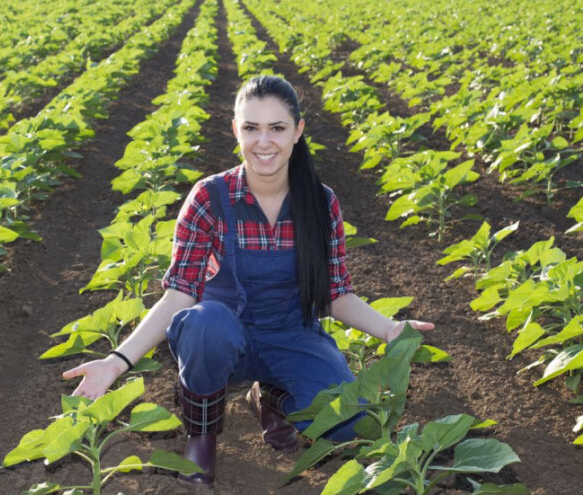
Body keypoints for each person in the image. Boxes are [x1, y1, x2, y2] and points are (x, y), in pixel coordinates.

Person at [63, 75, 434, 485]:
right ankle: (201, 435)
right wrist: (116, 363)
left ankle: (271, 396)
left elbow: (334, 293)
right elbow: (177, 297)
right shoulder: (209, 198)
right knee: (206, 325)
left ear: (298, 131)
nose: (264, 142)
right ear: (235, 131)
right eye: (251, 128)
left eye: (277, 128)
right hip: (224, 339)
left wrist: (390, 329)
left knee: (351, 424)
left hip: (292, 336)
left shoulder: (320, 201)